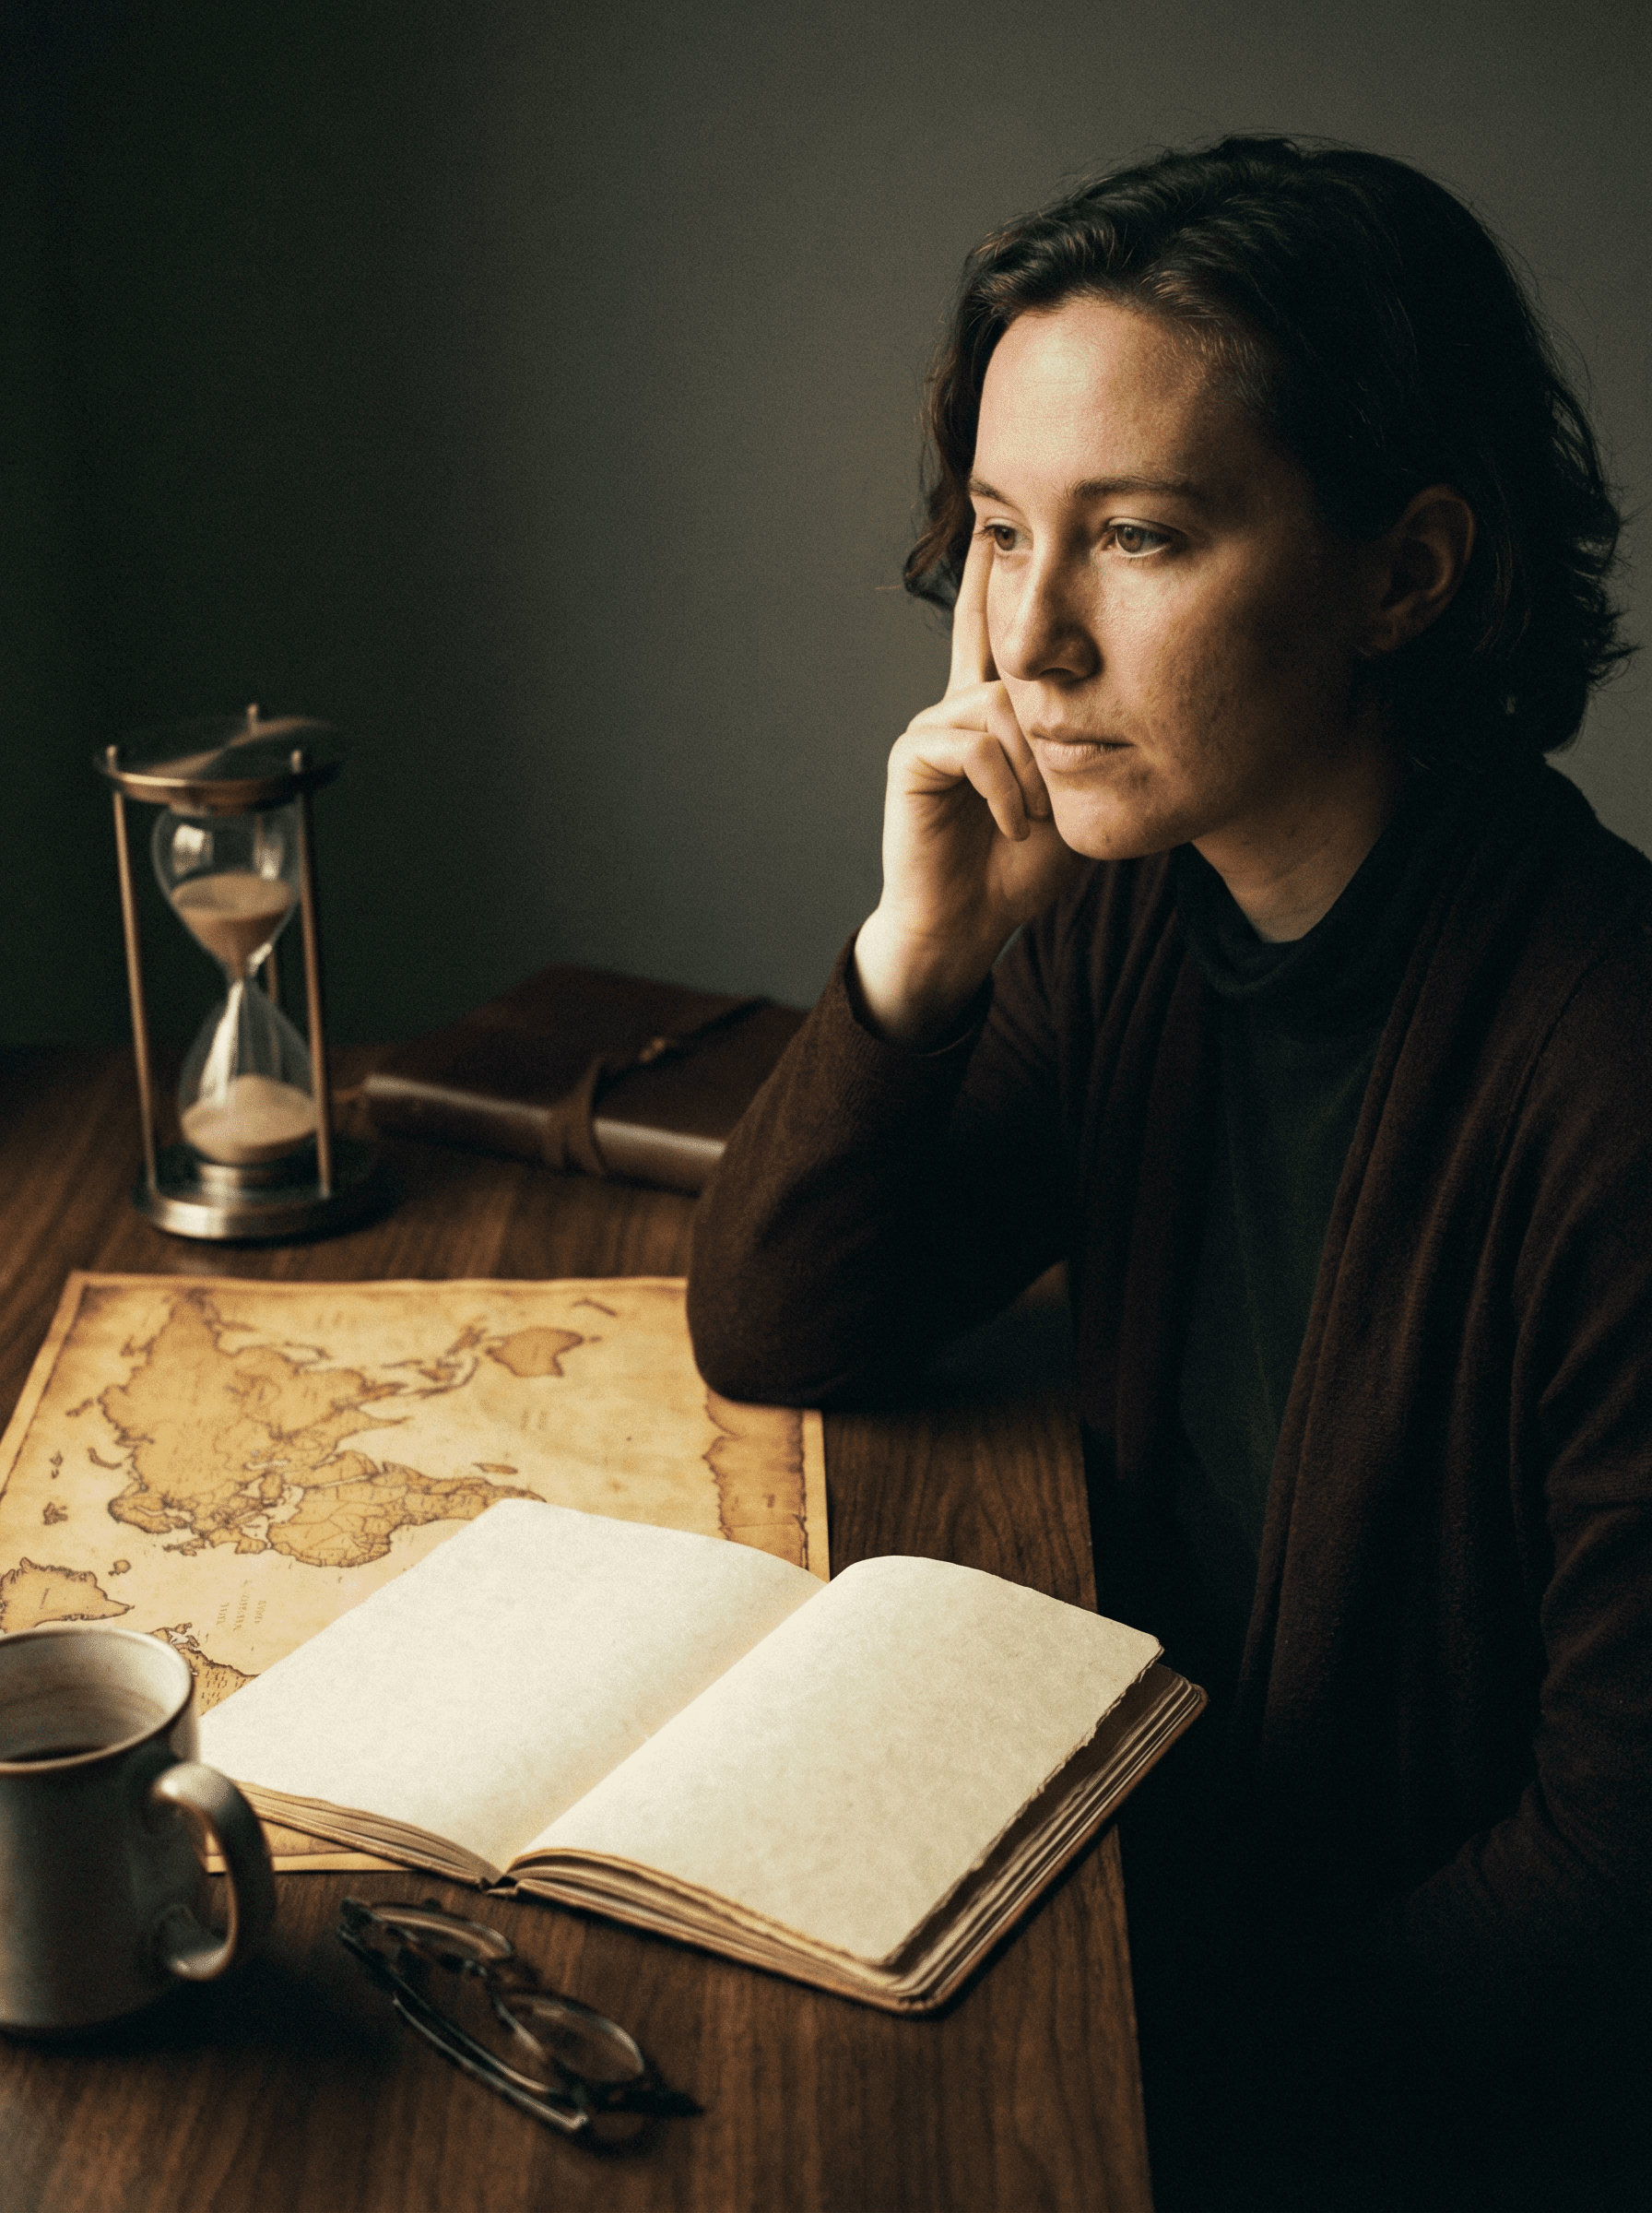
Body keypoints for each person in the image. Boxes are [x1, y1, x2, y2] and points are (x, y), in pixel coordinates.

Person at [686, 138, 1647, 2208]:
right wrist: (920, 959)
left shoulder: (1604, 1069)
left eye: (1136, 536)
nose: (1028, 640)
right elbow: (781, 1322)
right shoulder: (1133, 915)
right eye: (995, 533)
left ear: (1405, 574)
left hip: (1394, 2092)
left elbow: (1607, 1878)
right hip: (1135, 1884)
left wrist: (1128, 2080)